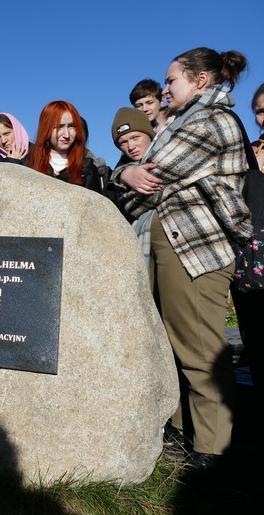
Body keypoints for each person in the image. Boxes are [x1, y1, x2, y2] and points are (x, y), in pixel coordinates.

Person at [115, 48, 251, 472]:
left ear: (200, 81)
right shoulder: (183, 121)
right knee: (174, 343)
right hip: (174, 244)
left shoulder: (211, 120)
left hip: (195, 247)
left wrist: (128, 174)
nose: (165, 88)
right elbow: (137, 182)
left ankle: (213, 448)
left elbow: (155, 172)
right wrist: (126, 175)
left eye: (171, 80)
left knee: (199, 346)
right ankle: (182, 429)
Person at [229, 82, 264, 436]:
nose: (263, 117)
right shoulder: (250, 153)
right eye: (260, 110)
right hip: (249, 255)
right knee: (254, 336)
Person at [27, 100, 101, 191]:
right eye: (59, 127)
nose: (66, 135)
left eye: (71, 126)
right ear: (45, 129)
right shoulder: (29, 164)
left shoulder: (87, 169)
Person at [105, 108, 155, 222]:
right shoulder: (112, 183)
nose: (131, 146)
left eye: (135, 137)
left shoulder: (171, 154)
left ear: (150, 134)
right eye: (123, 142)